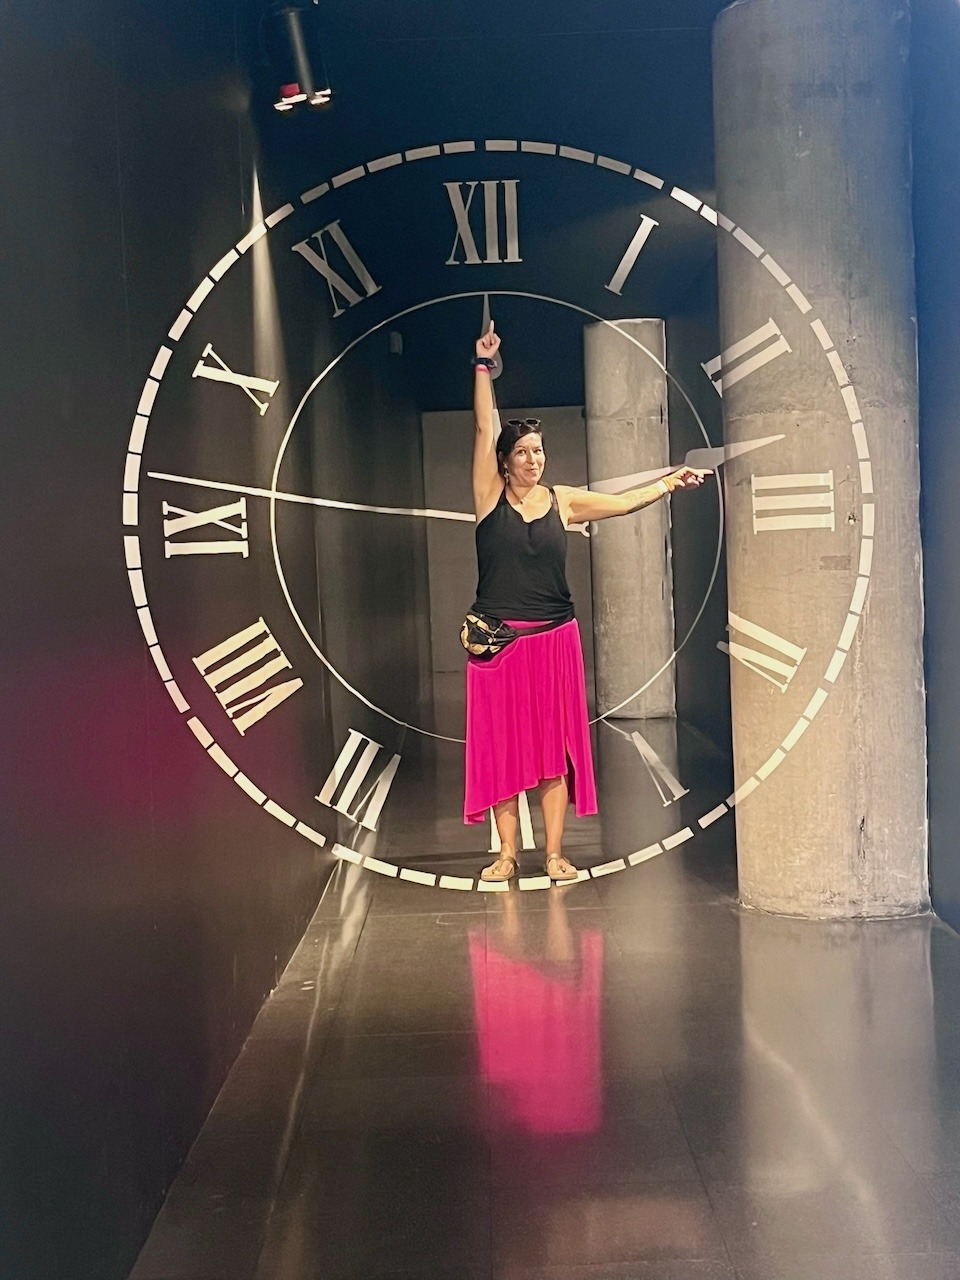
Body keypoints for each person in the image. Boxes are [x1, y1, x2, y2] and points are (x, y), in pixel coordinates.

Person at [466, 321, 709, 883]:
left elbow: (623, 504)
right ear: (504, 462)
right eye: (522, 452)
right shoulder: (487, 496)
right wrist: (482, 367)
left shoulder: (565, 500)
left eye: (538, 451)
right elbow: (483, 425)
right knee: (503, 752)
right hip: (499, 644)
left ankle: (554, 853)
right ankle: (506, 855)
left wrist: (669, 483)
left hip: (554, 640)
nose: (533, 460)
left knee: (553, 753)